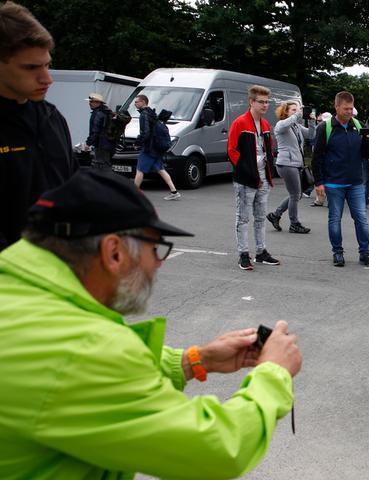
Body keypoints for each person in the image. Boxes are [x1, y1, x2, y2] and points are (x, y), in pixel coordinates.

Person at [0, 169, 302, 479]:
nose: (158, 264)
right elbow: (216, 448)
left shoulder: (21, 297)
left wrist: (194, 361)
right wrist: (274, 374)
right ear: (114, 252)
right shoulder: (80, 349)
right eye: (155, 249)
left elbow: (87, 382)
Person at [0, 1, 77, 251]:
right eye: (31, 68)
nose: (47, 78)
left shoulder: (51, 118)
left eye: (47, 64)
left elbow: (72, 188)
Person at [312, 91, 369, 268]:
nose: (349, 112)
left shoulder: (358, 126)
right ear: (337, 108)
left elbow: (366, 153)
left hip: (356, 182)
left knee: (361, 218)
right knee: (335, 218)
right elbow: (317, 157)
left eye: (351, 108)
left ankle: (365, 253)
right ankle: (337, 252)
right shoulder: (325, 128)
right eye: (345, 109)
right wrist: (319, 182)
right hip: (334, 182)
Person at [227, 85, 280, 270]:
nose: (265, 105)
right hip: (246, 179)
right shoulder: (240, 123)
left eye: (267, 102)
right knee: (243, 218)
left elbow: (268, 150)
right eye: (261, 102)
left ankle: (261, 252)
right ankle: (243, 254)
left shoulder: (265, 124)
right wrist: (245, 170)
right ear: (251, 102)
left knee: (259, 217)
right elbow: (232, 151)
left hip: (262, 177)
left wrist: (269, 170)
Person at [267, 100, 314, 234]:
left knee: (295, 194)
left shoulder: (296, 126)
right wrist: (297, 114)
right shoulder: (281, 125)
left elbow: (311, 135)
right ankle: (294, 224)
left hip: (294, 164)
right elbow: (286, 124)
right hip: (286, 164)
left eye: (297, 110)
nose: (297, 112)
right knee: (295, 195)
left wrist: (311, 121)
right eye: (293, 110)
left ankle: (275, 215)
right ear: (286, 112)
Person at [133, 94, 181, 200]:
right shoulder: (151, 113)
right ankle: (174, 192)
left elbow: (145, 132)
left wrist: (138, 142)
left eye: (137, 102)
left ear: (143, 102)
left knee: (140, 170)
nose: (135, 104)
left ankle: (133, 193)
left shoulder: (144, 115)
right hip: (157, 147)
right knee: (160, 169)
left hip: (149, 148)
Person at [85, 93, 115, 171]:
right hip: (109, 144)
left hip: (101, 144)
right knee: (106, 165)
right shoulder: (107, 111)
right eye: (90, 101)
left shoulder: (97, 114)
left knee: (100, 166)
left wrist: (88, 143)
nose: (89, 103)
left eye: (92, 102)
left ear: (98, 103)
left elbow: (95, 131)